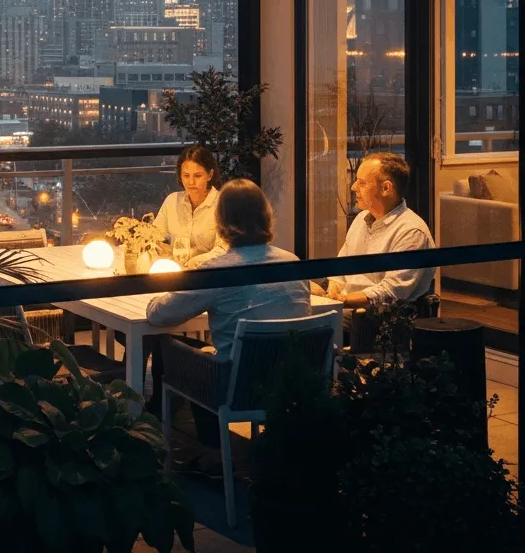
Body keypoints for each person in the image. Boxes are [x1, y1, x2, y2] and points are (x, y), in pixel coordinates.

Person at [146, 179, 310, 477]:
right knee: (216, 352)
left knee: (168, 348)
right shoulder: (294, 263)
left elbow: (159, 315)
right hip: (294, 382)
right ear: (266, 216)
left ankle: (211, 456)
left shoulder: (218, 270)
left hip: (236, 387)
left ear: (220, 222)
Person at [310, 152, 435, 310]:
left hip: (377, 316)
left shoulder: (411, 232)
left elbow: (391, 292)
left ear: (386, 188)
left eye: (361, 183)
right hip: (346, 303)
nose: (353, 187)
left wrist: (341, 300)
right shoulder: (361, 219)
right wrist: (333, 289)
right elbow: (340, 267)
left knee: (311, 326)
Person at [153, 145, 222, 268]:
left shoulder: (222, 205)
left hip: (208, 274)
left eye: (197, 176)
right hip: (174, 271)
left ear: (210, 175)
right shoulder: (172, 201)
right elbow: (154, 237)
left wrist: (193, 264)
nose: (191, 182)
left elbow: (222, 251)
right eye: (186, 176)